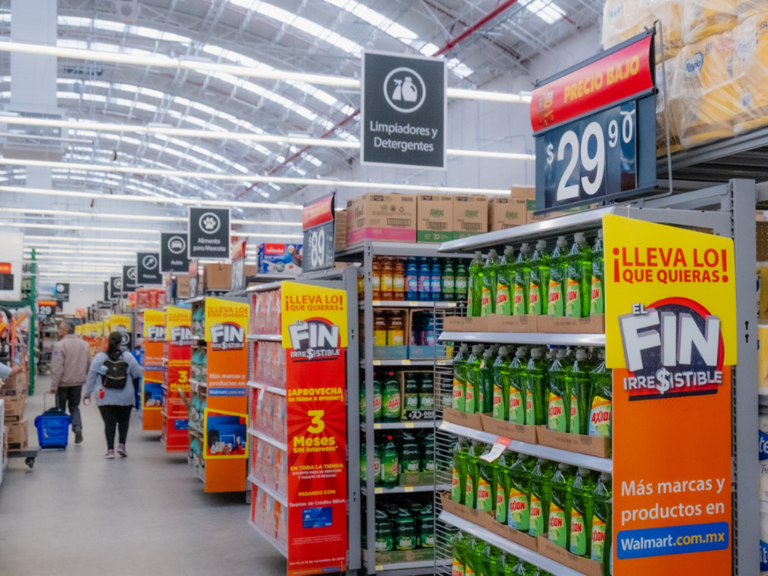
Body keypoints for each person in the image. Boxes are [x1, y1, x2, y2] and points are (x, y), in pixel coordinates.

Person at [84, 332, 143, 459]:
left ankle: (110, 450)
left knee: (109, 423)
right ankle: (122, 445)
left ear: (108, 341)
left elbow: (91, 377)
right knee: (124, 421)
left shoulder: (100, 357)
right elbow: (137, 373)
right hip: (126, 396)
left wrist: (87, 394)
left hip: (105, 396)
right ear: (121, 343)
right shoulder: (128, 356)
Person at [50, 319, 91, 444]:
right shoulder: (84, 344)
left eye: (60, 327)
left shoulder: (60, 345)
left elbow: (57, 368)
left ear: (66, 330)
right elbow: (89, 364)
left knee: (60, 408)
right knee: (74, 407)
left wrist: (53, 386)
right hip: (77, 383)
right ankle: (77, 429)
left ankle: (60, 435)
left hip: (63, 384)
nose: (59, 330)